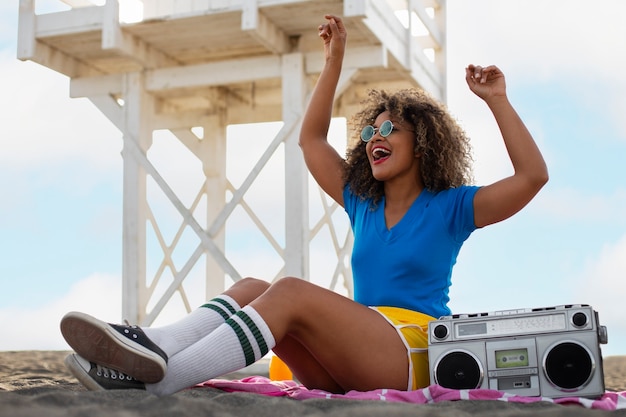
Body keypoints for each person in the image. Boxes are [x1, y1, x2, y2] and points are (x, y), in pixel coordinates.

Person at [60, 14, 548, 396]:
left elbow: (532, 177)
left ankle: (161, 379)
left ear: (422, 144)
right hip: (346, 359)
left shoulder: (453, 208)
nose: (374, 136)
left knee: (289, 290)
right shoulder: (362, 202)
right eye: (369, 131)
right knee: (255, 286)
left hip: (407, 351)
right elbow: (312, 138)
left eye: (389, 129)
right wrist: (333, 59)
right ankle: (153, 346)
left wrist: (496, 99)